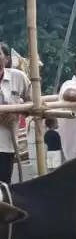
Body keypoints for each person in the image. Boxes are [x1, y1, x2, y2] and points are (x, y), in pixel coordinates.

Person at [0, 42, 32, 182]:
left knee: (3, 186)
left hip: (6, 143)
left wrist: (19, 110)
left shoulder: (18, 77)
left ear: (6, 58)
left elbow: (33, 102)